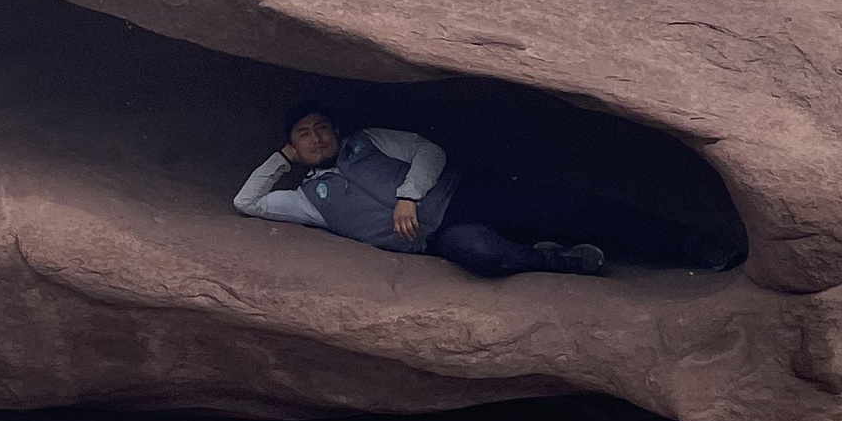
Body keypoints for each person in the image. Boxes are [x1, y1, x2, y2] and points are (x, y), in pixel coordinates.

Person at [233, 104, 614, 278]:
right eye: (304, 135)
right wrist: (282, 157)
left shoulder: (366, 141)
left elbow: (428, 150)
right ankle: (553, 260)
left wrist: (408, 196)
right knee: (485, 256)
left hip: (463, 191)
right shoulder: (308, 199)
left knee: (564, 210)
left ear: (335, 129)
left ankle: (667, 242)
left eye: (322, 128)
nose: (317, 139)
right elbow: (246, 202)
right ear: (294, 148)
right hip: (436, 236)